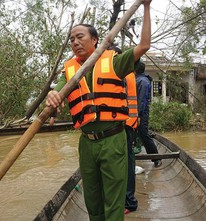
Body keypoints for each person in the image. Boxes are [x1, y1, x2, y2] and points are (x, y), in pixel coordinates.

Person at [45, 1, 151, 220]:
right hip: (87, 142)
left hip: (113, 139)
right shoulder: (69, 70)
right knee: (92, 199)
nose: (75, 42)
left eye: (80, 37)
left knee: (114, 201)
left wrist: (147, 8)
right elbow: (58, 91)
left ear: (95, 40)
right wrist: (52, 96)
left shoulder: (114, 61)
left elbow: (144, 46)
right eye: (72, 39)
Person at [108, 45, 138, 215]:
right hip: (128, 123)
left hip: (125, 124)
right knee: (126, 162)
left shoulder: (123, 74)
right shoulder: (129, 74)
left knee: (126, 164)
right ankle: (125, 199)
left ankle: (129, 201)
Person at [135, 62, 162, 167]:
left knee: (144, 134)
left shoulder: (142, 81)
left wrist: (138, 115)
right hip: (136, 112)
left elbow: (142, 100)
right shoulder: (139, 79)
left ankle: (156, 158)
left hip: (140, 113)